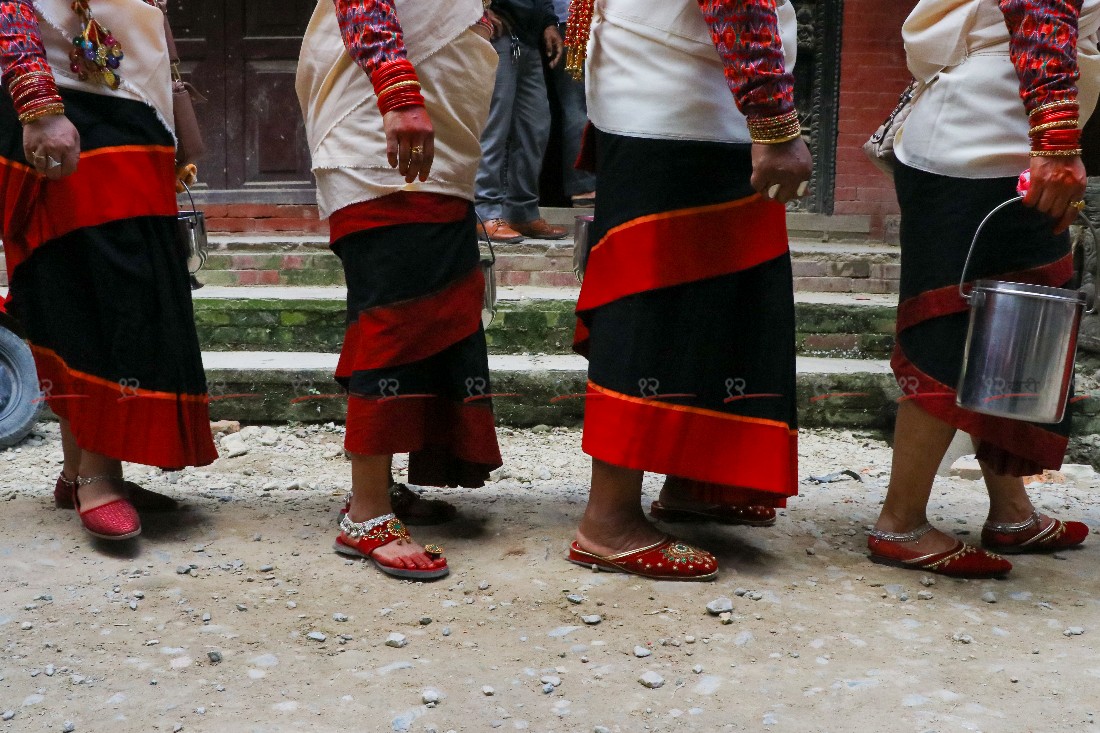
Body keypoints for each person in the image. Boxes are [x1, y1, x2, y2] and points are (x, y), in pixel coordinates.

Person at [564, 0, 812, 581]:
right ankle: (609, 521)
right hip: (685, 105)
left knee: (713, 302)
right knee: (654, 307)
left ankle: (694, 477)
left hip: (670, 94)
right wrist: (774, 122)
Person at [869, 0, 1099, 577]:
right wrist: (1055, 142)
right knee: (953, 326)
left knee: (1015, 327)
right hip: (985, 140)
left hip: (994, 133)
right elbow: (1039, 12)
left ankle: (1012, 511)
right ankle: (902, 522)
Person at [297, 0, 503, 580]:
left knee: (414, 312)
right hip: (383, 135)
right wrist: (400, 95)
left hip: (436, 140)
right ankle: (366, 514)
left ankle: (378, 489)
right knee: (395, 320)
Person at [0, 0, 217, 541]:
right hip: (64, 100)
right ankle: (98, 473)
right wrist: (38, 107)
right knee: (93, 280)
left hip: (133, 105)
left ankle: (81, 470)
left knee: (131, 281)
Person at [474, 0, 567, 243]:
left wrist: (548, 23)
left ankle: (521, 211)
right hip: (498, 33)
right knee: (494, 128)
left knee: (536, 127)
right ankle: (484, 211)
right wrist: (478, 9)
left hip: (528, 38)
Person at [548, 0, 595, 208]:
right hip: (578, 20)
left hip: (577, 19)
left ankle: (585, 185)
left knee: (577, 104)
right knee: (578, 104)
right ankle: (584, 186)